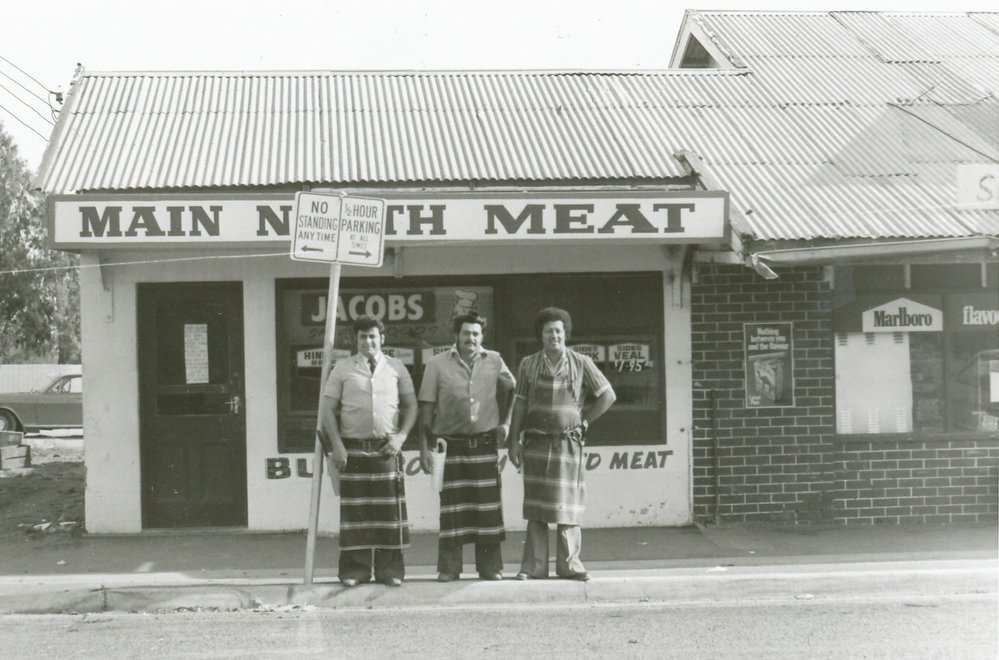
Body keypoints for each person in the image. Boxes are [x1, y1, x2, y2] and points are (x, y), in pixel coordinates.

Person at [508, 307, 616, 582]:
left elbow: (607, 396)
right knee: (537, 508)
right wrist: (513, 441)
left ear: (565, 334)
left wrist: (586, 421)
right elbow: (519, 403)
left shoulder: (581, 362)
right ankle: (534, 567)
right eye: (548, 331)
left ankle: (570, 566)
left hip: (569, 445)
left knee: (568, 506)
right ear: (540, 335)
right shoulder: (528, 364)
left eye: (558, 330)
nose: (553, 335)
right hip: (535, 443)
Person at [320, 316, 417, 587]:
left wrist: (401, 437)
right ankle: (355, 570)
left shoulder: (396, 367)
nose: (368, 341)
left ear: (382, 338)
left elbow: (411, 406)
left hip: (387, 449)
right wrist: (337, 445)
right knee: (356, 513)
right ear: (355, 339)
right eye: (363, 337)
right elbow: (327, 410)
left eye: (373, 336)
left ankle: (390, 571)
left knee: (390, 513)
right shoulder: (342, 368)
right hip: (352, 449)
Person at [418, 311, 516, 582]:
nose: (470, 338)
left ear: (481, 336)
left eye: (475, 333)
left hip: (484, 445)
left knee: (487, 509)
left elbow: (513, 390)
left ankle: (490, 568)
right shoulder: (437, 364)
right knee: (452, 511)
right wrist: (424, 447)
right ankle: (449, 568)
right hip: (449, 447)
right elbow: (426, 406)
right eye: (465, 333)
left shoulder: (495, 360)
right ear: (456, 336)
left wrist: (505, 423)